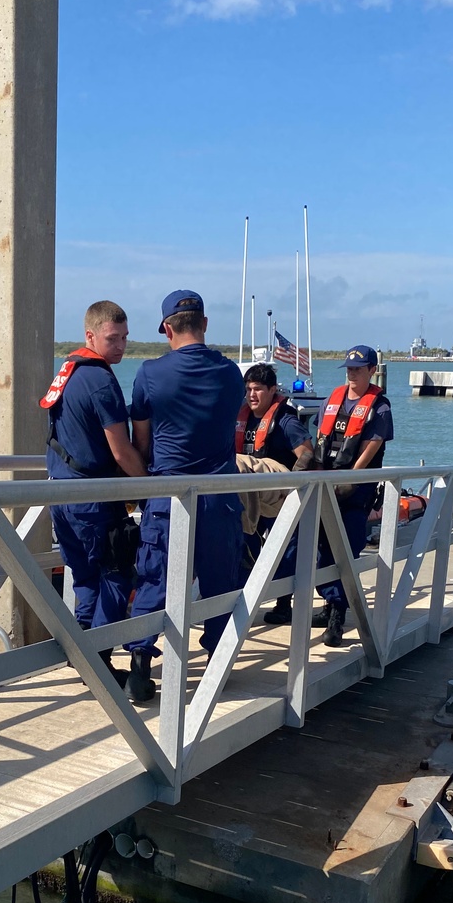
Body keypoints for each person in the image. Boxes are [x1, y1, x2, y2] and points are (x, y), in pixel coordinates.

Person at [123, 291, 245, 703]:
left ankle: (140, 666)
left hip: (168, 496)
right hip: (220, 495)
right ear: (205, 324)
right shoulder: (231, 374)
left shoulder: (150, 373)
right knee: (220, 581)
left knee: (156, 579)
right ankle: (216, 662)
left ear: (166, 328)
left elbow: (141, 439)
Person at [41, 300, 146, 685]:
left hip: (59, 495)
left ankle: (81, 655)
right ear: (91, 335)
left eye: (124, 338)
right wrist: (150, 486)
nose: (121, 346)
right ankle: (98, 659)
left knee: (84, 579)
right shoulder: (101, 380)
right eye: (112, 338)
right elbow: (121, 450)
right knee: (118, 575)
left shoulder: (66, 373)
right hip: (93, 499)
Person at [264, 344, 393, 647]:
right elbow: (319, 441)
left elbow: (370, 448)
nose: (352, 374)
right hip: (324, 484)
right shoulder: (331, 401)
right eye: (349, 369)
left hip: (353, 490)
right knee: (314, 547)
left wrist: (349, 479)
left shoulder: (380, 407)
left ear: (372, 370)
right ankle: (311, 603)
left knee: (343, 550)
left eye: (359, 369)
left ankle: (337, 615)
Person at [235, 364, 314, 574]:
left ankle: (284, 602)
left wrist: (293, 492)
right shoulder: (241, 418)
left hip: (277, 497)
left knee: (285, 552)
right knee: (244, 548)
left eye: (258, 389)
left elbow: (307, 455)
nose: (252, 395)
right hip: (250, 496)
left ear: (272, 390)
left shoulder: (285, 422)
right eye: (249, 389)